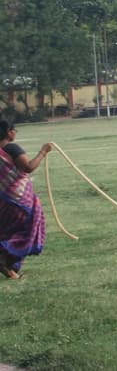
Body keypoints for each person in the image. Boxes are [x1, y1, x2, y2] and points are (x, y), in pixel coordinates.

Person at [0, 119, 52, 279]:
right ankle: (3, 258)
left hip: (2, 201)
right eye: (14, 130)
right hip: (17, 200)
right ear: (9, 132)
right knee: (27, 228)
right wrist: (43, 152)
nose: (15, 133)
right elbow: (28, 167)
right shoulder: (11, 148)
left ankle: (10, 270)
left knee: (7, 231)